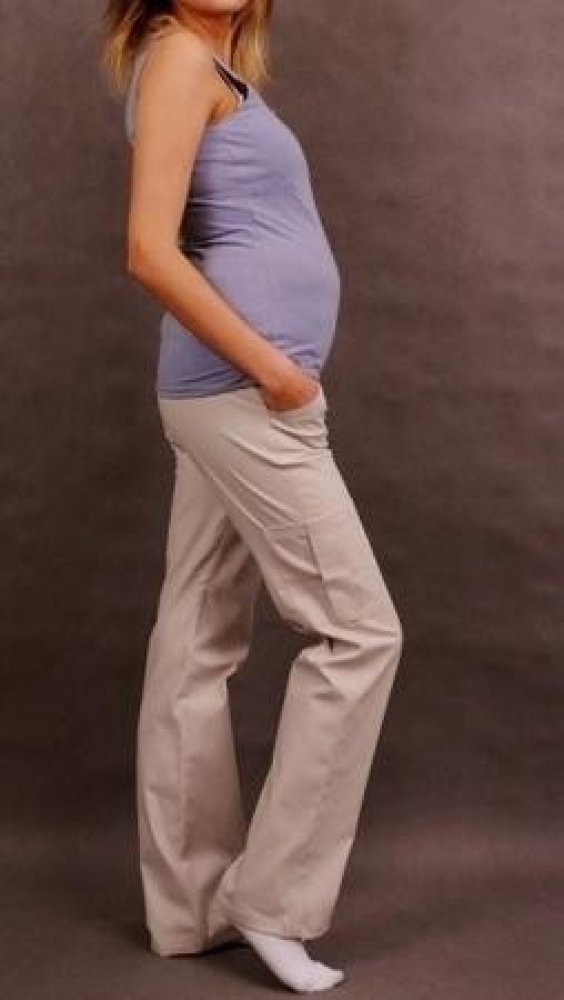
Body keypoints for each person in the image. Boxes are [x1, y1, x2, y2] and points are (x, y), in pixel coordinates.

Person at [103, 1, 404, 992]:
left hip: (223, 395)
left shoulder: (210, 66)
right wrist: (276, 371)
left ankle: (191, 907)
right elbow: (149, 249)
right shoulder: (180, 57)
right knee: (360, 634)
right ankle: (272, 900)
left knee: (197, 637)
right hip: (242, 394)